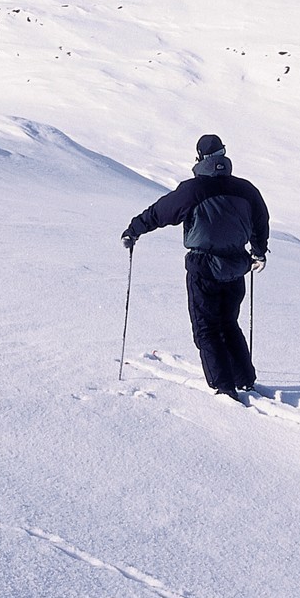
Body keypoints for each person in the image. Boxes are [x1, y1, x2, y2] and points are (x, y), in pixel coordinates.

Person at [122, 135, 269, 401]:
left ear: (200, 158)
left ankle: (224, 389)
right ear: (223, 155)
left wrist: (134, 230)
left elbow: (160, 212)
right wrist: (258, 252)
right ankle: (244, 379)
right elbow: (261, 220)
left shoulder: (193, 190)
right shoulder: (246, 189)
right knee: (228, 323)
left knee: (207, 328)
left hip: (204, 267)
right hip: (237, 266)